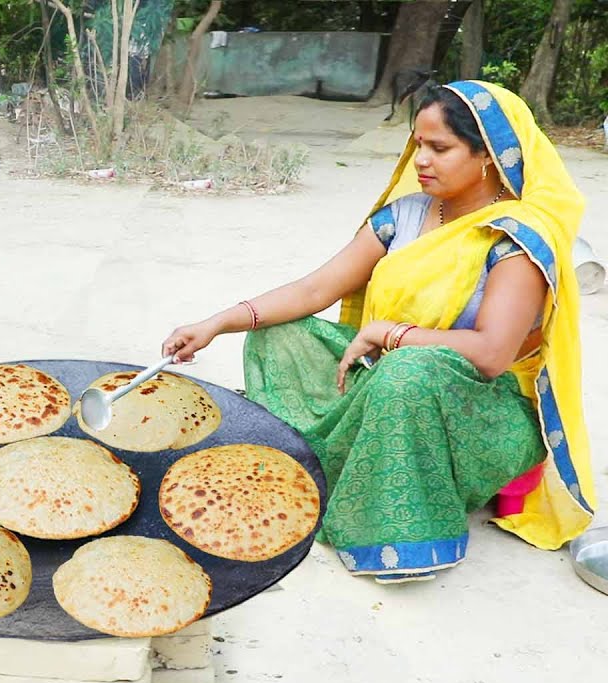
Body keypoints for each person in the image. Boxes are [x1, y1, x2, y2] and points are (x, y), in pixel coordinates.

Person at [161, 81, 595, 584]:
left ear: (488, 156)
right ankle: (331, 458)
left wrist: (392, 334)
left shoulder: (514, 238)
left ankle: (398, 532)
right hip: (387, 377)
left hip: (481, 409)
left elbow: (493, 353)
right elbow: (314, 290)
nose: (421, 161)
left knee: (409, 370)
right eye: (418, 145)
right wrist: (215, 324)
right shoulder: (407, 215)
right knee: (280, 334)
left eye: (440, 148)